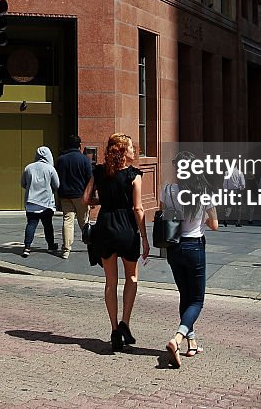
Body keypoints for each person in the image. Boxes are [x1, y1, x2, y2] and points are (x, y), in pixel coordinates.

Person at [82, 133, 150, 352]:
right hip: (126, 228)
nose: (134, 151)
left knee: (110, 282)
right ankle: (125, 324)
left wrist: (103, 200)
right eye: (131, 148)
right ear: (123, 151)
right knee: (132, 277)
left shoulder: (99, 171)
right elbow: (137, 208)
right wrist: (145, 238)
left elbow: (86, 199)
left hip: (105, 226)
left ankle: (113, 330)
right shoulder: (134, 175)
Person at [159, 153, 219, 367]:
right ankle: (177, 338)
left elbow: (164, 214)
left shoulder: (168, 190)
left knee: (185, 295)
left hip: (174, 248)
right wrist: (201, 217)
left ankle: (191, 343)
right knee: (196, 300)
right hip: (194, 246)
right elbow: (214, 225)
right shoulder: (204, 192)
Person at [55, 135, 94, 259]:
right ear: (79, 145)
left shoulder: (61, 159)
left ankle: (66, 250)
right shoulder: (84, 159)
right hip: (80, 195)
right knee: (84, 222)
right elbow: (90, 179)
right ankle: (91, 245)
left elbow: (57, 177)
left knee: (68, 221)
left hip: (65, 195)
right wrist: (91, 196)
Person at [20, 146, 60, 258]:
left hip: (31, 201)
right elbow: (57, 185)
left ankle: (27, 247)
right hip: (46, 203)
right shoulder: (50, 169)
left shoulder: (28, 168)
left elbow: (23, 183)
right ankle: (51, 246)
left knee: (31, 224)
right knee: (48, 225)